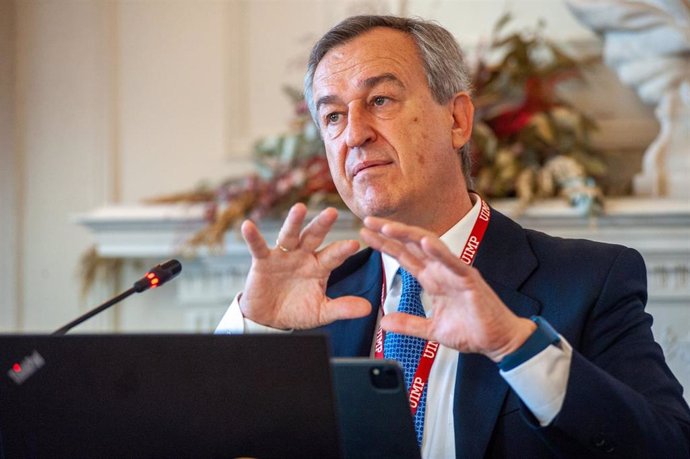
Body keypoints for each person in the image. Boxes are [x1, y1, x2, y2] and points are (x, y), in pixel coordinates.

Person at [216, 15, 690, 458]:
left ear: (457, 120)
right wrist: (254, 328)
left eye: (379, 100)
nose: (354, 134)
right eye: (333, 116)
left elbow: (669, 445)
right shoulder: (316, 299)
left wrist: (516, 346)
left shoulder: (589, 280)